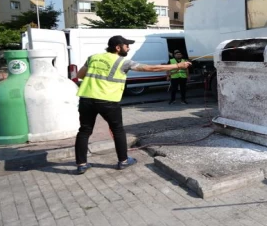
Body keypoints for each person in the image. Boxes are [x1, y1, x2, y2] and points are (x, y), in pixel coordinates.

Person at [74, 35, 192, 174]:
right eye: (126, 45)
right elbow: (150, 68)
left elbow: (81, 75)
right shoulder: (123, 62)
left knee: (84, 131)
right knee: (118, 130)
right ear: (118, 47)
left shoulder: (93, 57)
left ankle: (81, 164)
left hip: (86, 99)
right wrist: (178, 65)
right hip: (108, 101)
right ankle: (123, 161)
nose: (128, 48)